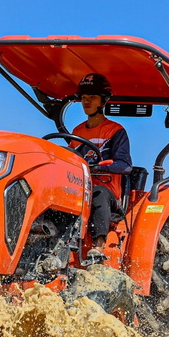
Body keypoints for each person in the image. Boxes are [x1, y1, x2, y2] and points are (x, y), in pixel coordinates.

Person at [71, 73, 133, 253]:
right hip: (81, 186)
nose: (86, 102)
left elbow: (125, 165)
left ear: (103, 102)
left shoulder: (115, 131)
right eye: (83, 98)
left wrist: (97, 167)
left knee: (97, 193)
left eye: (92, 97)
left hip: (108, 192)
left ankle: (98, 247)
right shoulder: (77, 131)